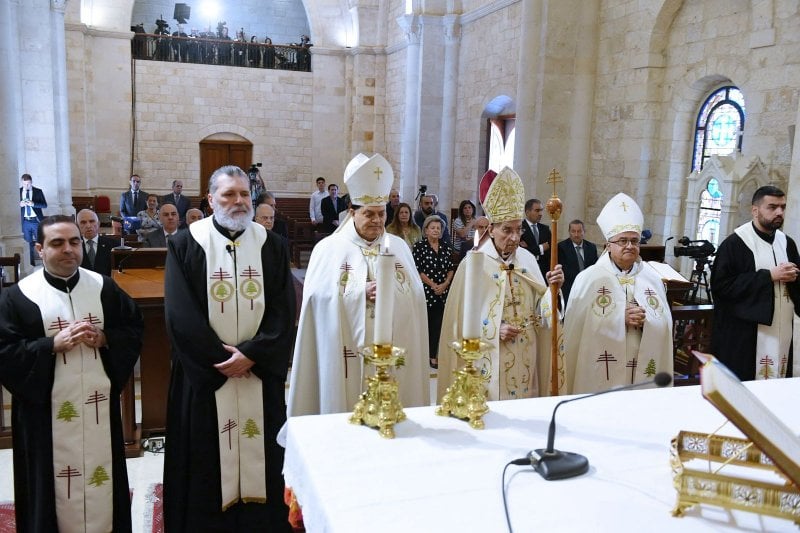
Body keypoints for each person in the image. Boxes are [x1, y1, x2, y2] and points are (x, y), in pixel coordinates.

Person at [163, 165, 295, 532]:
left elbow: (284, 311)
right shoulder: (185, 244)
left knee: (264, 457)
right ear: (210, 200)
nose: (238, 202)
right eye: (229, 195)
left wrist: (254, 354)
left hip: (258, 374)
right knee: (205, 463)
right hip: (207, 379)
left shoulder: (272, 245)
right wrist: (224, 361)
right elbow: (180, 315)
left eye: (244, 195)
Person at [0, 215, 143, 532]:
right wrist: (50, 345)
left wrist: (106, 339)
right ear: (39, 249)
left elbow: (133, 330)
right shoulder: (19, 297)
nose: (69, 249)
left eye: (74, 241)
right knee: (49, 493)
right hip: (44, 420)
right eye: (57, 243)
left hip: (97, 411)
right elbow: (5, 352)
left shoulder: (104, 288)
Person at [288, 153, 430, 417]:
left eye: (382, 213)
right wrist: (358, 292)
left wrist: (393, 294)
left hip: (391, 347)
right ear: (351, 212)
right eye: (369, 214)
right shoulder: (328, 248)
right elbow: (315, 300)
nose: (378, 220)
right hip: (346, 353)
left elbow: (416, 297)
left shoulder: (398, 247)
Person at [437, 167, 565, 400]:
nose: (515, 237)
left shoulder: (527, 259)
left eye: (518, 230)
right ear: (491, 230)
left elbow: (543, 314)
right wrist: (494, 331)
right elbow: (459, 320)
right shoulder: (474, 264)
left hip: (526, 353)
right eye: (507, 230)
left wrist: (552, 292)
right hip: (490, 357)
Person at [563, 193, 673, 394]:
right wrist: (618, 317)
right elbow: (576, 329)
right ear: (608, 245)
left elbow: (665, 324)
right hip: (602, 367)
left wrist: (647, 320)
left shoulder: (652, 279)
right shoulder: (589, 278)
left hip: (642, 363)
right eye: (622, 241)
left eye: (634, 241)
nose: (630, 246)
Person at [711, 185, 800, 380]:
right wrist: (768, 276)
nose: (779, 212)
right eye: (772, 207)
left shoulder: (787, 243)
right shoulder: (735, 244)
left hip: (783, 329)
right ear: (755, 210)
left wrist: (794, 277)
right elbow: (721, 287)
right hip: (746, 334)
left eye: (783, 207)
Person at [413, 216, 455, 368]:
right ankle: (422, 354)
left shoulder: (446, 247)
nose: (436, 230)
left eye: (438, 228)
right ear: (426, 230)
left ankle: (433, 356)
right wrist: (433, 285)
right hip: (426, 290)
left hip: (443, 291)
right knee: (425, 324)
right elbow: (418, 270)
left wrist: (444, 284)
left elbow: (451, 268)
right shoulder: (419, 247)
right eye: (433, 228)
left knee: (439, 325)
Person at [557, 219, 599, 304]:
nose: (576, 234)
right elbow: (563, 270)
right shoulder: (561, 247)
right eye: (573, 231)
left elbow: (595, 268)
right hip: (570, 289)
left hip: (588, 289)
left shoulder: (591, 247)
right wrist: (580, 280)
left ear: (584, 232)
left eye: (579, 231)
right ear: (569, 232)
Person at [77, 209, 117, 276]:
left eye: (92, 221)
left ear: (98, 224)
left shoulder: (113, 245)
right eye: (83, 222)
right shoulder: (73, 246)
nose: (88, 226)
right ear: (77, 226)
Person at [19, 173, 47, 266]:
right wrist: (19, 205)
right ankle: (31, 264)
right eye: (25, 184)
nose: (27, 186)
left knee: (40, 242)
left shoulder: (38, 191)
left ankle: (45, 263)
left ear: (31, 182)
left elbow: (44, 205)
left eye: (29, 183)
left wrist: (33, 204)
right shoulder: (18, 192)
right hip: (25, 221)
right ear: (21, 183)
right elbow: (12, 206)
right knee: (28, 244)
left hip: (36, 221)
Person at [520, 198, 551, 278]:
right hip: (526, 270)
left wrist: (530, 248)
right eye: (537, 210)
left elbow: (551, 248)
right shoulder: (519, 228)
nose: (540, 213)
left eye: (541, 210)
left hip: (544, 272)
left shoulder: (545, 229)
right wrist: (541, 248)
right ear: (527, 212)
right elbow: (521, 252)